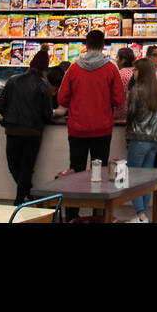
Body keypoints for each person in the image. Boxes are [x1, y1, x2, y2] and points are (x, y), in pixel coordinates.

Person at [57, 30, 124, 219]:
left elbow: (62, 97)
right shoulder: (111, 68)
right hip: (102, 128)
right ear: (103, 46)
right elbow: (119, 98)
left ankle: (72, 215)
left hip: (77, 128)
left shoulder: (74, 68)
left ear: (85, 45)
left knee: (75, 171)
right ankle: (99, 215)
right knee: (100, 174)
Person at [0, 48, 55, 206]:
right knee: (27, 167)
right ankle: (26, 196)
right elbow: (47, 114)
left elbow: (0, 106)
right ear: (44, 69)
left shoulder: (13, 80)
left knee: (13, 165)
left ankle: (22, 199)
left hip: (13, 129)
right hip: (33, 132)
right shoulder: (44, 86)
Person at [124, 58, 157, 222]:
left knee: (133, 177)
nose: (133, 73)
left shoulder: (136, 90)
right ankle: (143, 215)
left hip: (139, 137)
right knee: (147, 178)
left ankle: (140, 215)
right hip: (155, 139)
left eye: (135, 70)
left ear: (141, 72)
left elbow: (131, 115)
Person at [113, 47, 136, 122]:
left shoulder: (119, 75)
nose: (116, 59)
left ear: (123, 60)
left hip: (121, 114)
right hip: (136, 113)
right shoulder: (137, 72)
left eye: (117, 57)